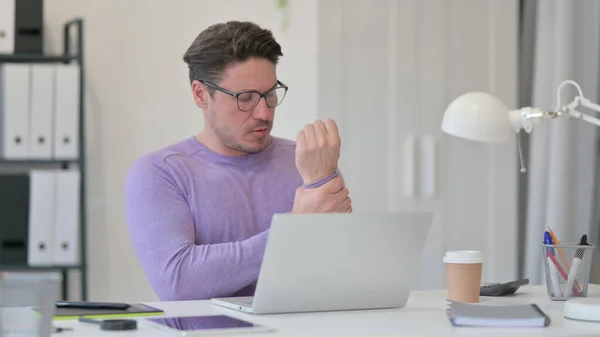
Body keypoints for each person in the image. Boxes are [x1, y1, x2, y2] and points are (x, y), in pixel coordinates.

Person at [124, 20, 352, 301]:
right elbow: (178, 281)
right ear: (200, 94)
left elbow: (342, 275)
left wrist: (323, 180)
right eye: (245, 98)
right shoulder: (161, 173)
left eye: (270, 94)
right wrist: (295, 230)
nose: (264, 114)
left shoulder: (307, 163)